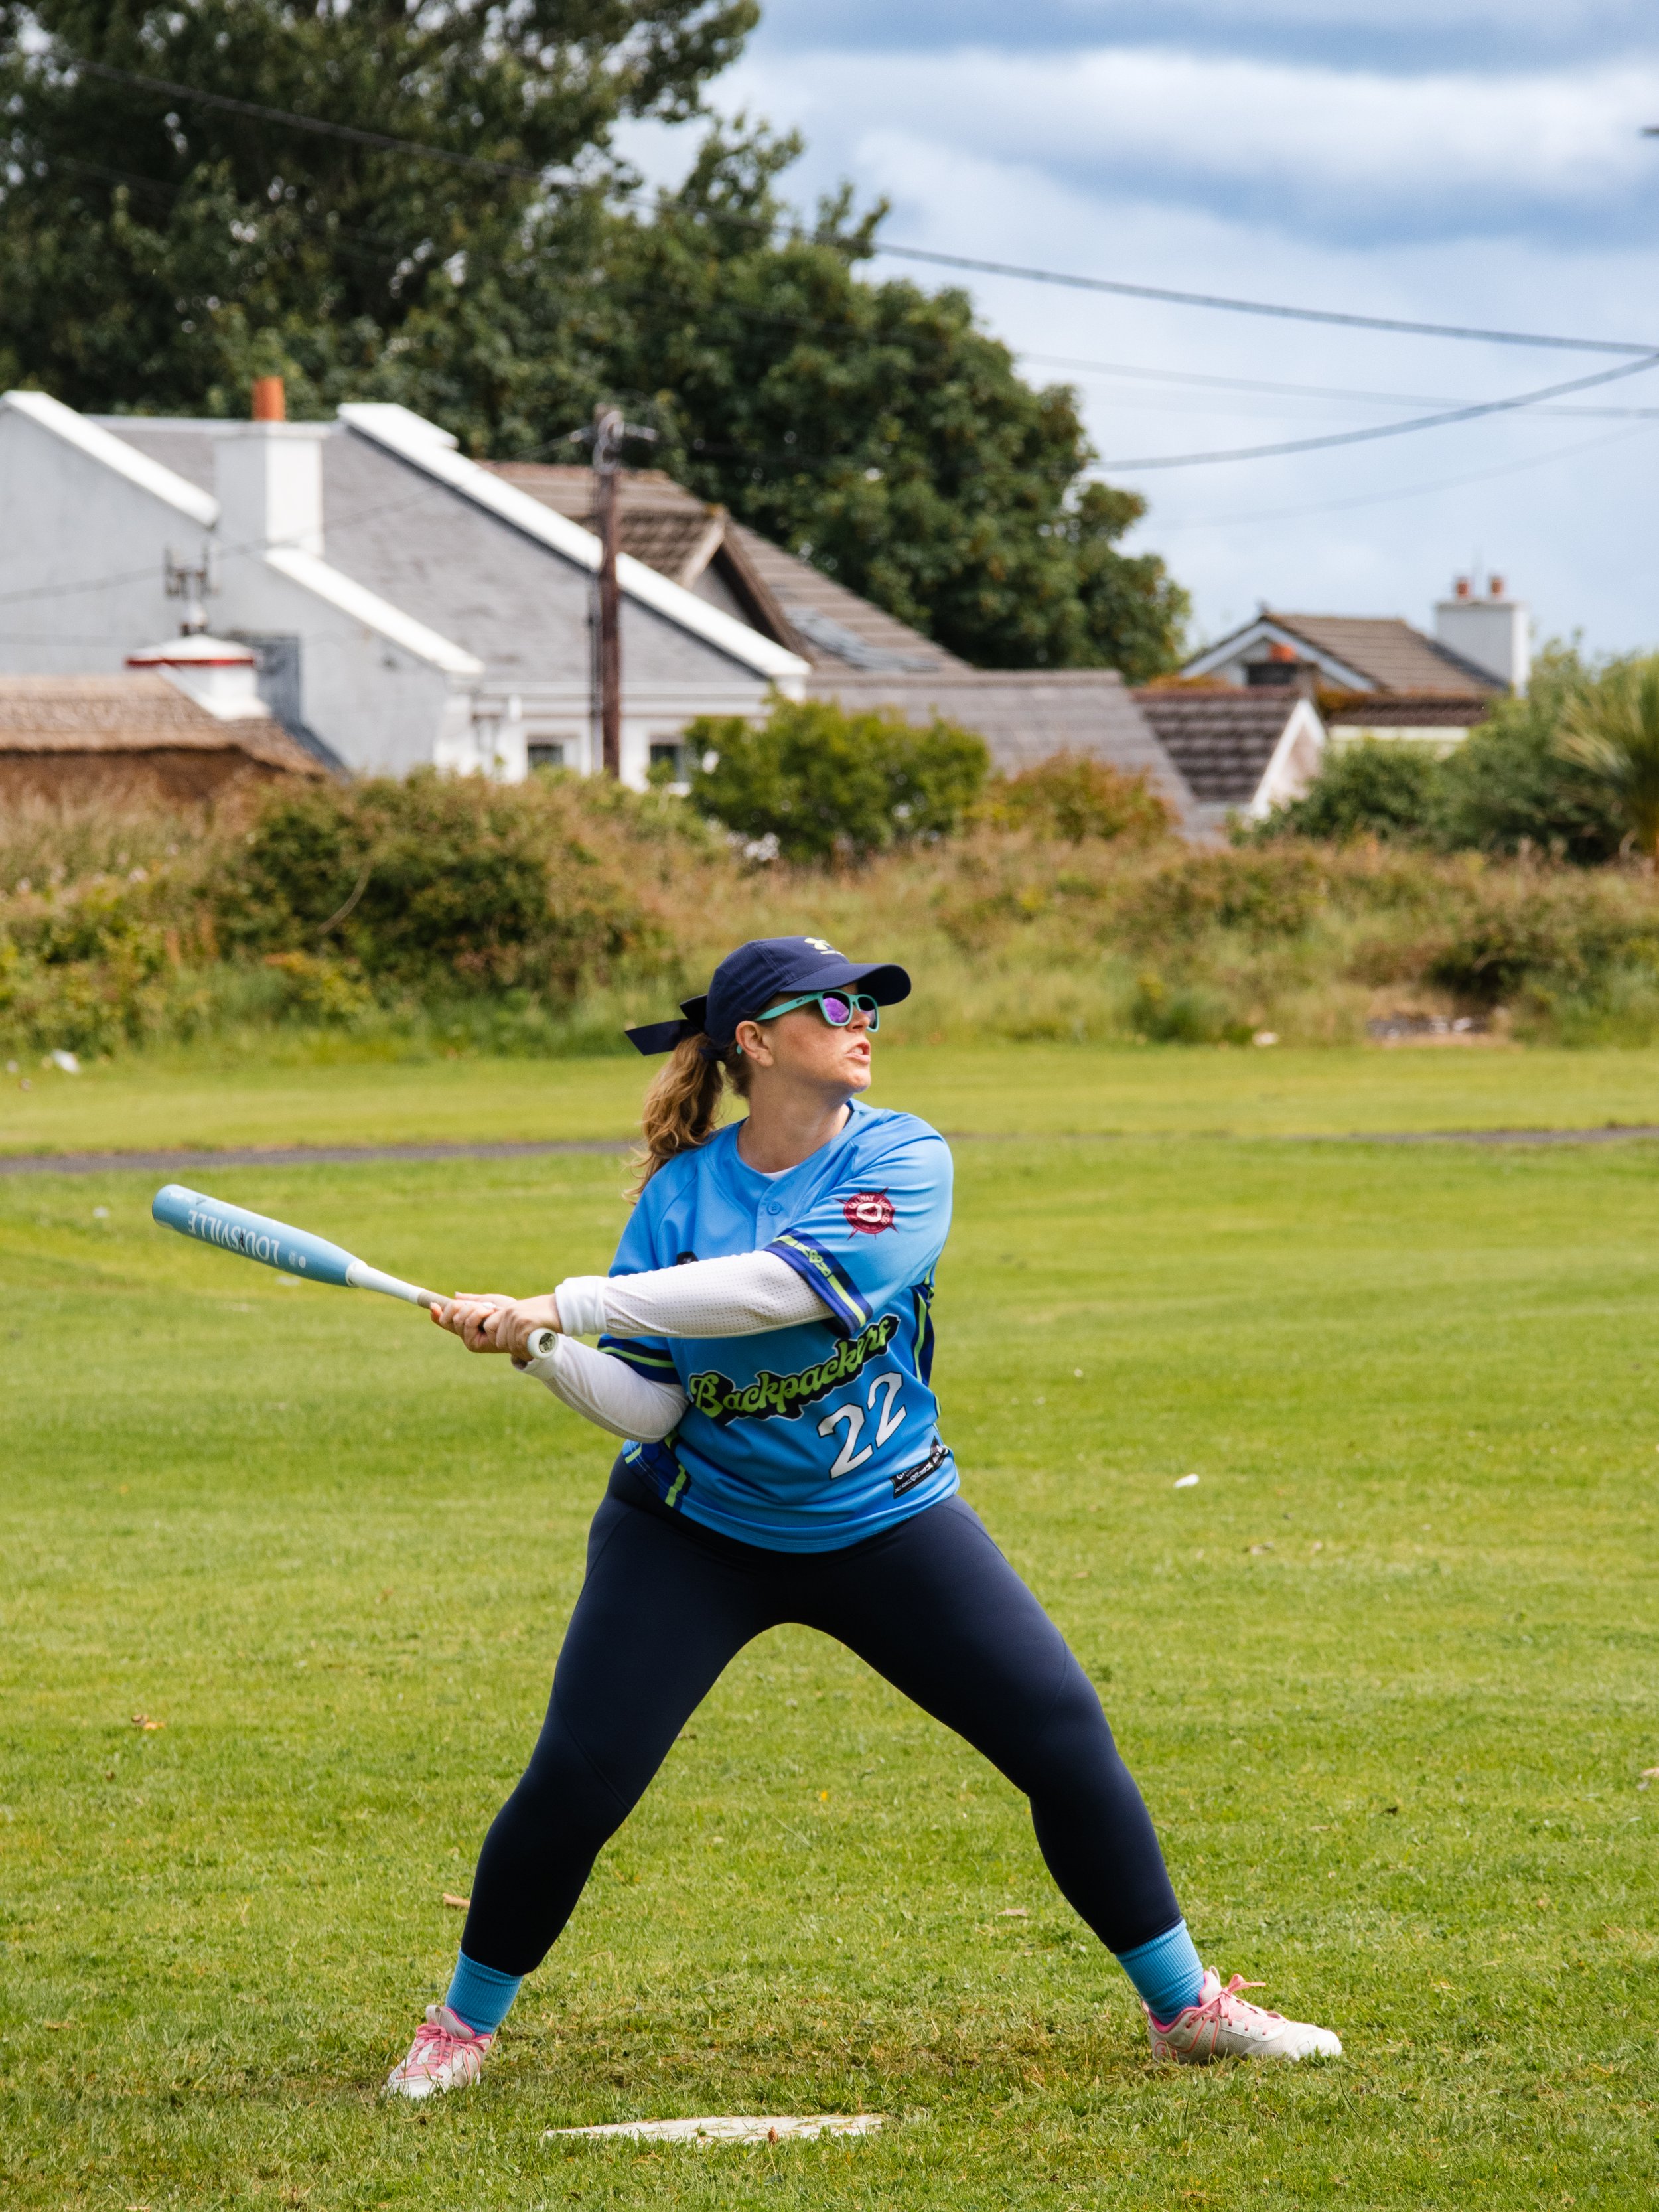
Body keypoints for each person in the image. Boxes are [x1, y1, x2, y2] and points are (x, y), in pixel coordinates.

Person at [385, 936, 1340, 2099]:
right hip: (694, 1530)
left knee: (1059, 1730)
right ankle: (461, 2028)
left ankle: (1186, 2007)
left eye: (870, 1002)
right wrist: (539, 1348)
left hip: (887, 1516)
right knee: (578, 1780)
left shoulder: (904, 1152)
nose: (864, 1019)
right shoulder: (681, 1197)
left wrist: (562, 1298)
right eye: (833, 1004)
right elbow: (653, 1403)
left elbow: (788, 1285)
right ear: (756, 1041)